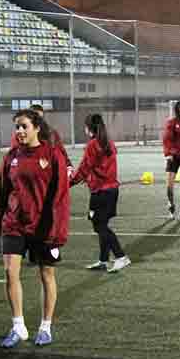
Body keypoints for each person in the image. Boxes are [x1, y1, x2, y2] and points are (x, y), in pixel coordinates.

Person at [0, 109, 70, 348]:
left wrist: (56, 231)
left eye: (24, 126)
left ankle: (45, 327)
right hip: (13, 224)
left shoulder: (52, 155)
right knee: (10, 273)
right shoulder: (11, 157)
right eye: (17, 127)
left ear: (36, 128)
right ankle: (18, 326)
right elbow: (1, 193)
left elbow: (60, 196)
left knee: (46, 275)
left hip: (44, 228)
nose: (20, 131)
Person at [71, 114, 131, 273]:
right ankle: (103, 260)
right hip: (111, 190)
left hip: (101, 192)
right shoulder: (108, 142)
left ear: (89, 128)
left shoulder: (92, 144)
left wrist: (70, 182)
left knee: (100, 226)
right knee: (101, 225)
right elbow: (100, 167)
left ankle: (121, 257)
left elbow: (85, 168)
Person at [10, 103, 72, 176]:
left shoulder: (51, 133)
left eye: (40, 118)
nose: (38, 120)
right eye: (35, 117)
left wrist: (68, 165)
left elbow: (60, 150)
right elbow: (14, 154)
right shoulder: (20, 135)